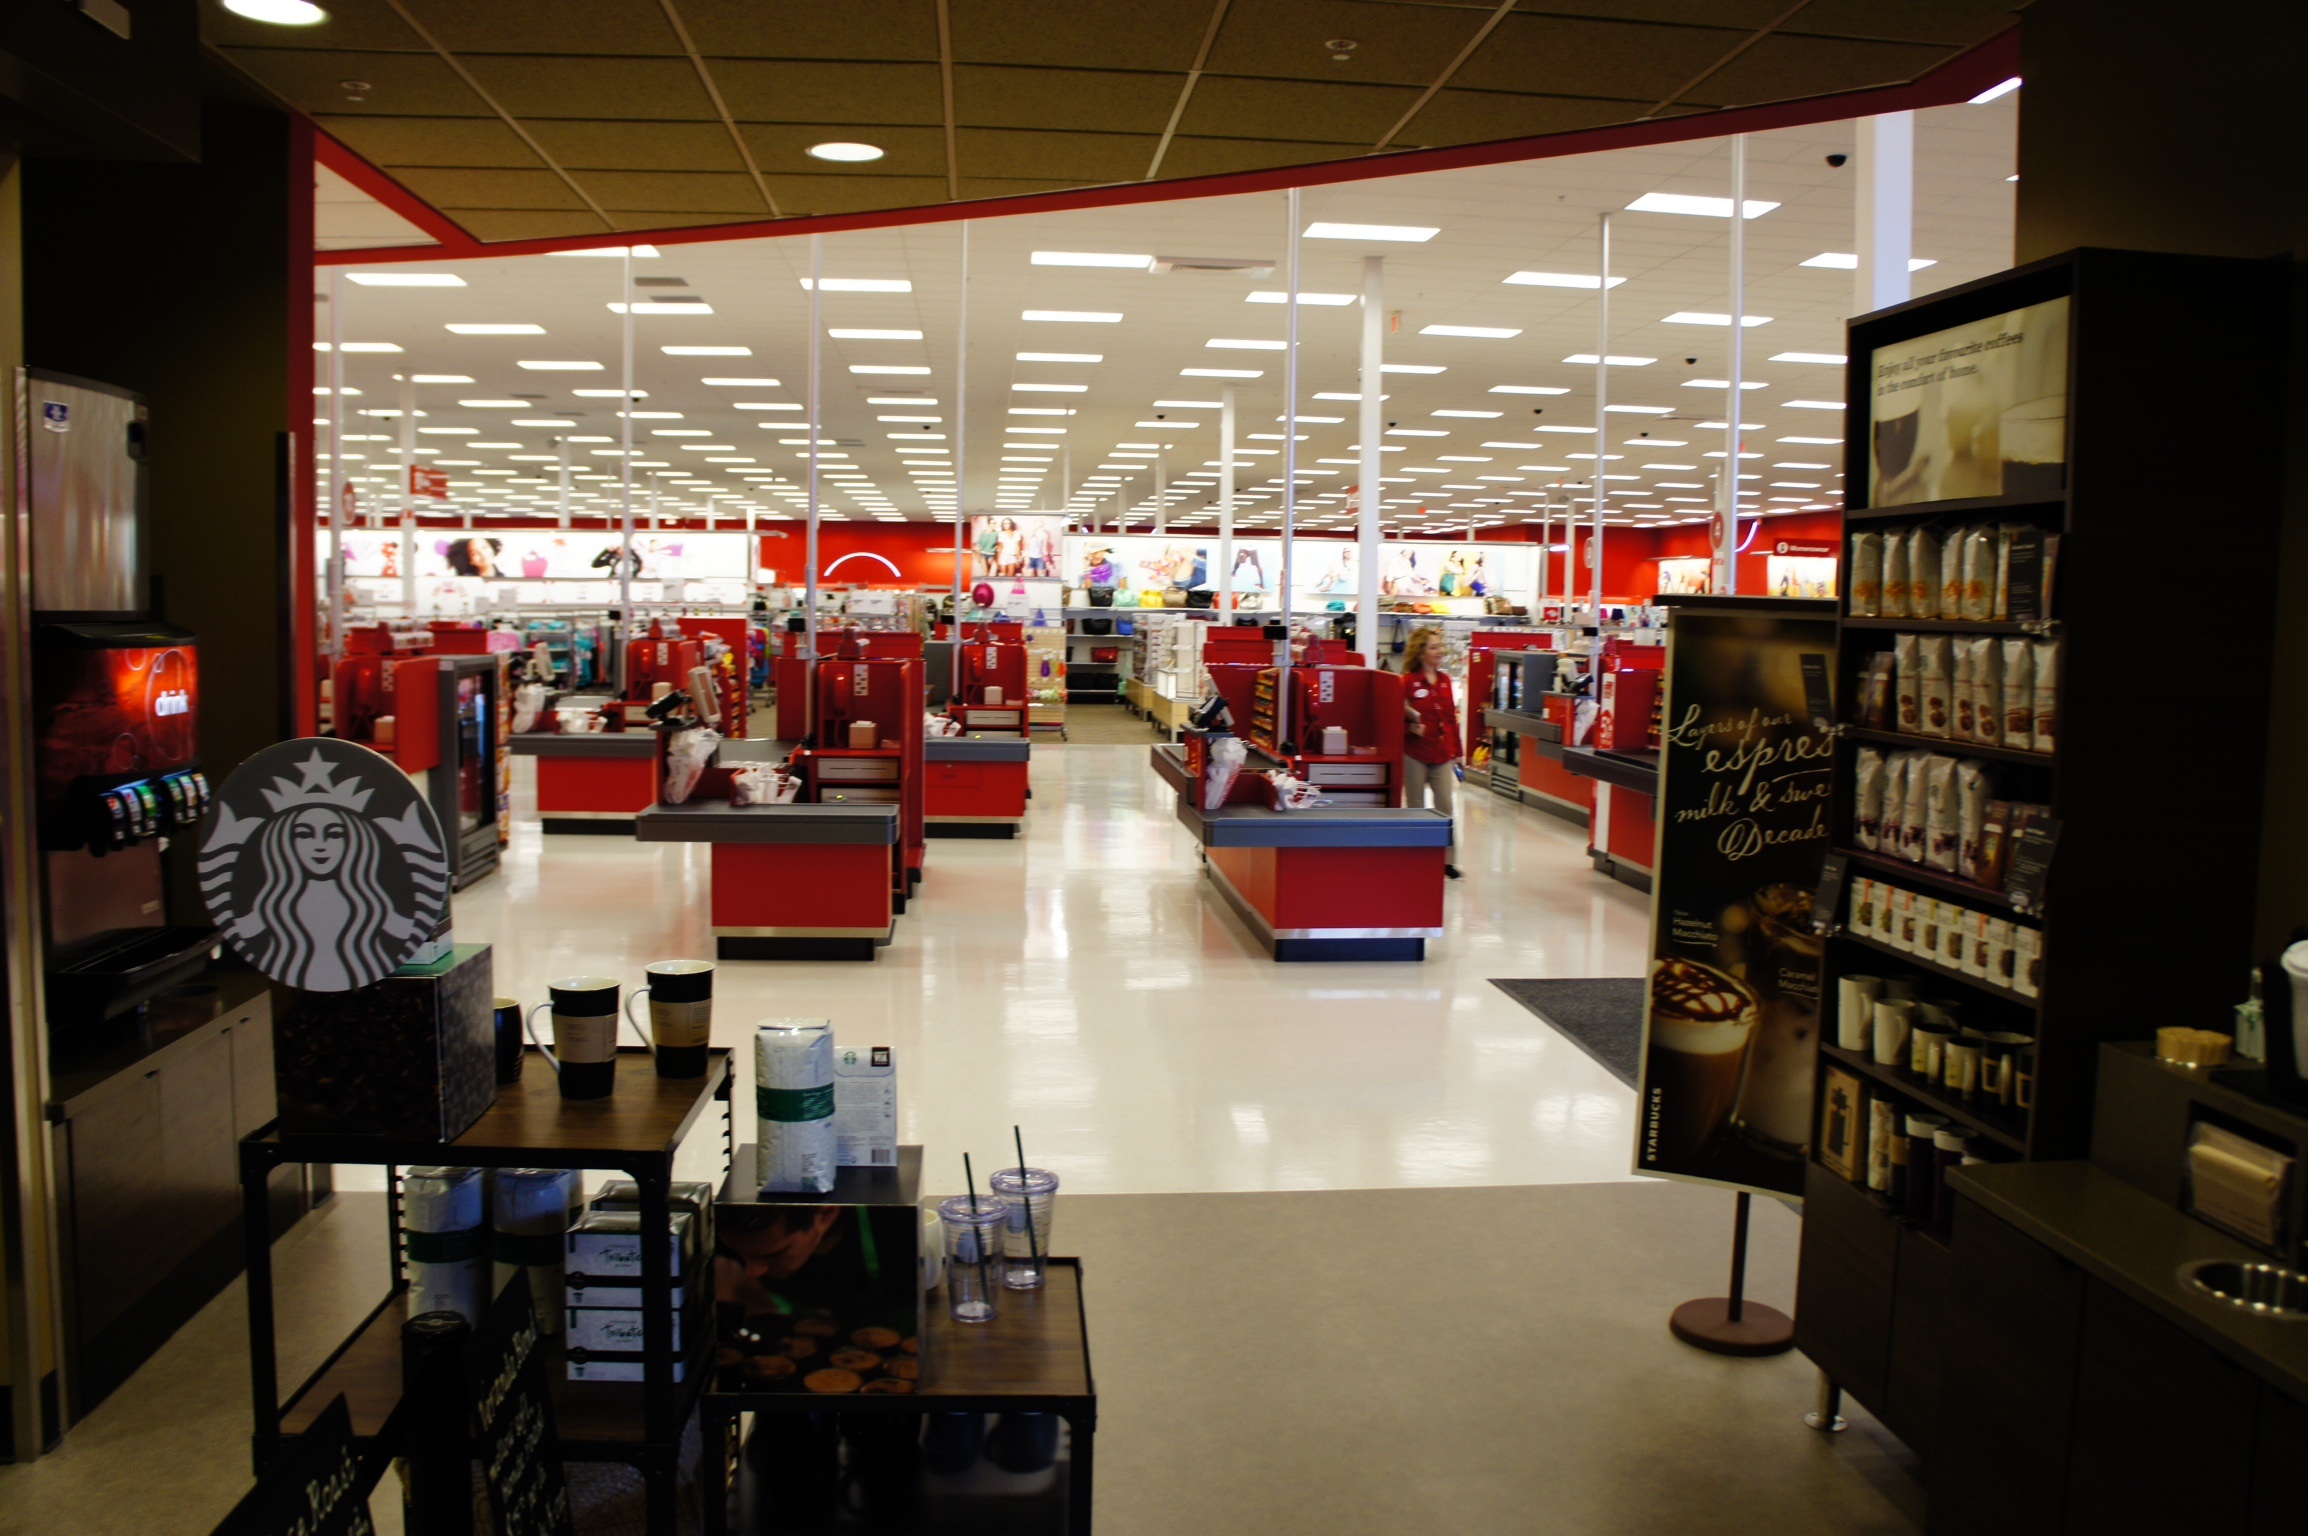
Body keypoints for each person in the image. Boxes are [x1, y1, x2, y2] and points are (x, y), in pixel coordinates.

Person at [1398, 625, 1464, 879]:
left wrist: (1458, 752)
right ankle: (1417, 858)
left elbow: (1451, 720)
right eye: (1434, 647)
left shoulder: (1446, 681)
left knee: (1446, 807)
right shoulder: (1407, 682)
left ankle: (1447, 862)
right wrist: (1410, 726)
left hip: (1441, 753)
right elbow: (1396, 717)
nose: (1440, 651)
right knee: (1415, 807)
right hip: (1414, 753)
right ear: (1421, 652)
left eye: (1440, 646)